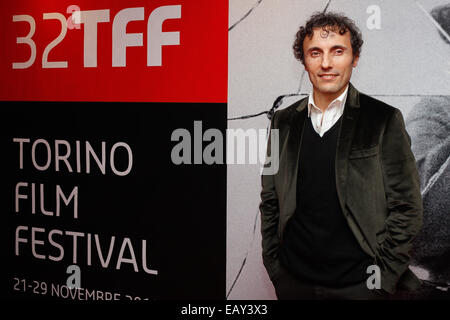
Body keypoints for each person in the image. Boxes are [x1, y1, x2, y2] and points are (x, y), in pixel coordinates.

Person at [259, 12, 423, 300]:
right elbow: (270, 197)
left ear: (354, 57)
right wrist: (276, 268)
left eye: (338, 51)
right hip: (294, 283)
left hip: (361, 286)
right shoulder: (282, 121)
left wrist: (382, 280)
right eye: (315, 52)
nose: (326, 63)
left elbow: (407, 206)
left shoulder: (383, 120)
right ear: (304, 60)